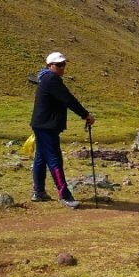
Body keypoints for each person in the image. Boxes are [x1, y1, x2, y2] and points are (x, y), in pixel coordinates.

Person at [30, 52, 95, 209]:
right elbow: (68, 99)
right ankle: (65, 195)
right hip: (47, 127)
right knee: (54, 160)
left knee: (41, 158)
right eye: (58, 65)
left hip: (41, 125)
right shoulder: (52, 79)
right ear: (50, 66)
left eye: (63, 64)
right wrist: (86, 115)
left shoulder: (45, 78)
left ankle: (39, 192)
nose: (62, 68)